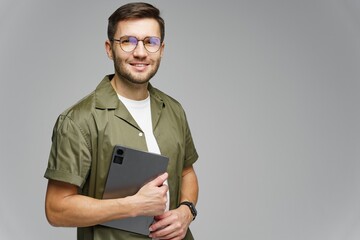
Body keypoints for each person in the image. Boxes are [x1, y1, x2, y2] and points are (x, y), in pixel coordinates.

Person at [44, 2, 199, 240]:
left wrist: (186, 211)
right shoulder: (79, 120)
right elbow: (56, 209)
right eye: (128, 41)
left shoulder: (174, 110)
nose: (140, 52)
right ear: (109, 49)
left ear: (162, 49)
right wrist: (133, 205)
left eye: (150, 42)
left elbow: (187, 172)